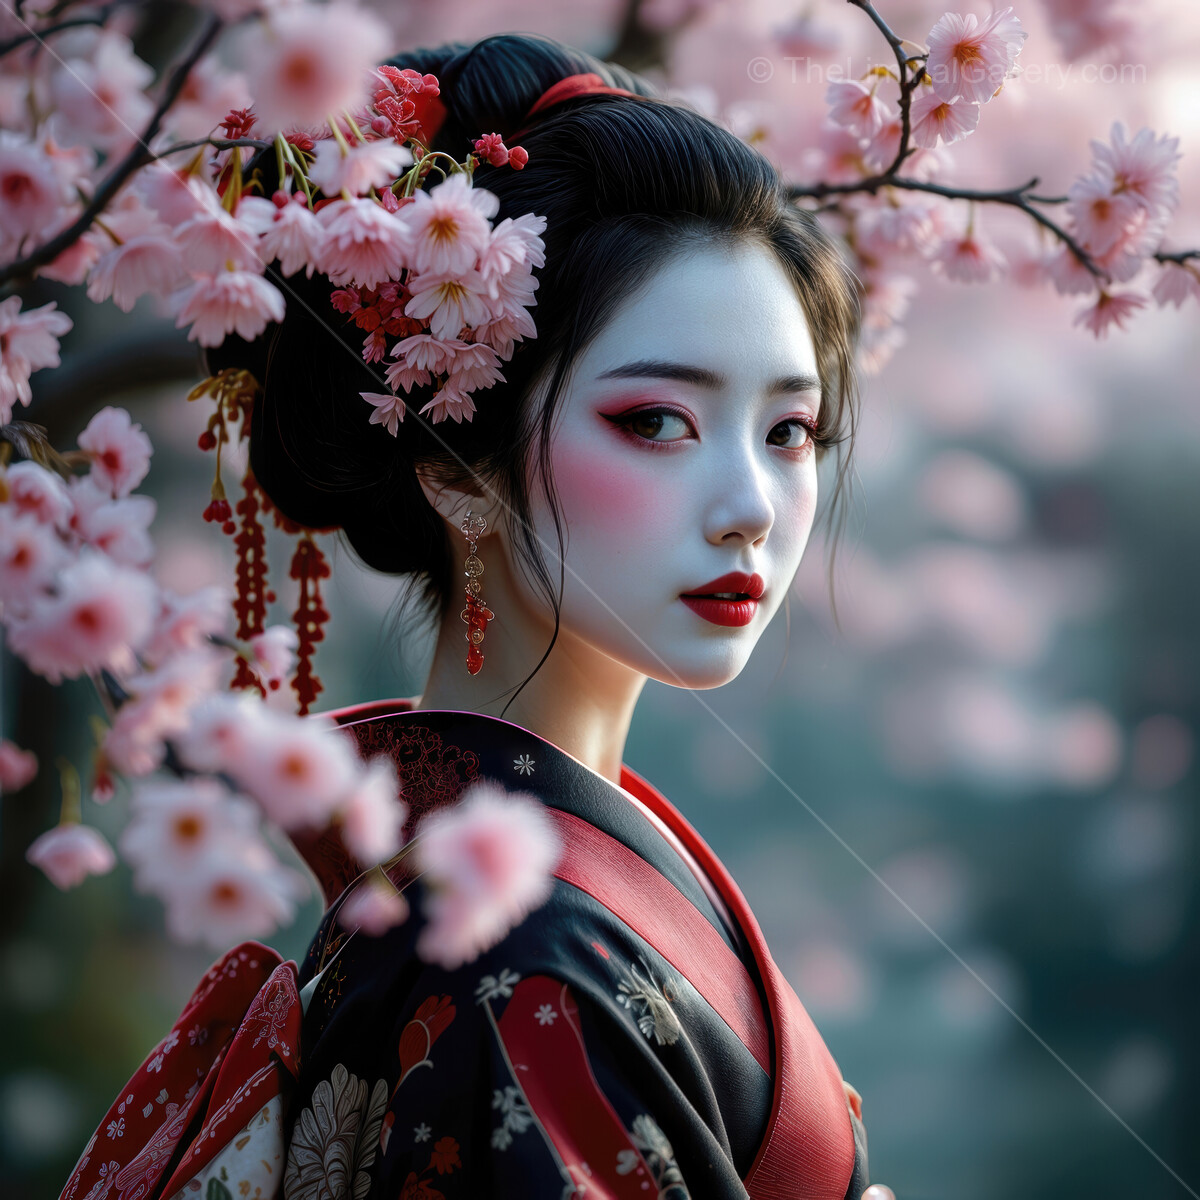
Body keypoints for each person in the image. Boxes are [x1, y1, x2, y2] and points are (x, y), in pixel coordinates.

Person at [63, 30, 881, 1200]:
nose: (751, 506)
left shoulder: (485, 892)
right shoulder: (521, 962)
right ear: (455, 470)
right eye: (656, 421)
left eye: (789, 431)